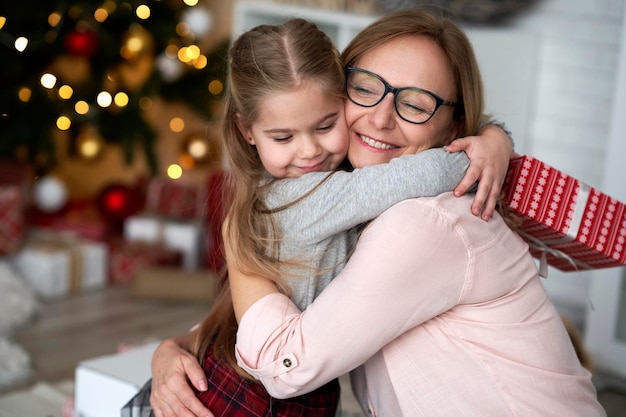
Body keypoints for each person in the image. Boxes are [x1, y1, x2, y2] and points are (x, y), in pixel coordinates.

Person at [229, 8, 606, 417]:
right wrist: (177, 349)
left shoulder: (423, 223)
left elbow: (285, 367)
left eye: (415, 104)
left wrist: (237, 244)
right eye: (366, 88)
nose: (380, 118)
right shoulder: (339, 201)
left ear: (451, 130)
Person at [143, 13, 515, 417]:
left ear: (341, 100)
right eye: (283, 137)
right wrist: (487, 147)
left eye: (325, 125)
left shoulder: (320, 187)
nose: (309, 152)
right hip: (253, 396)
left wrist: (492, 135)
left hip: (267, 380)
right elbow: (420, 173)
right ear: (247, 131)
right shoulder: (305, 196)